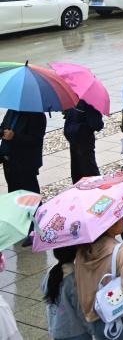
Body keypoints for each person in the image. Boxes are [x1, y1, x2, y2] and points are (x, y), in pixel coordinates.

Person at [74, 218, 123, 340]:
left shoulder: (81, 253)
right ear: (109, 225)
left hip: (97, 319)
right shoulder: (121, 251)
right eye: (119, 217)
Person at [0, 109, 46, 240]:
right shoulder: (12, 111)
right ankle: (20, 226)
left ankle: (36, 231)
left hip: (25, 163)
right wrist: (2, 132)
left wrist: (14, 136)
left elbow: (35, 140)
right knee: (15, 195)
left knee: (30, 196)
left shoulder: (37, 115)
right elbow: (4, 127)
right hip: (9, 161)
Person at [43, 245, 91, 340]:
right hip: (75, 332)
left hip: (56, 328)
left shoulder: (51, 273)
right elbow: (80, 309)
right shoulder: (73, 278)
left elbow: (44, 289)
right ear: (75, 253)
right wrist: (91, 328)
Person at [63, 100, 102, 183]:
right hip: (84, 138)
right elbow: (97, 125)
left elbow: (66, 113)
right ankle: (95, 188)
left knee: (76, 165)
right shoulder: (90, 103)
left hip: (72, 135)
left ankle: (78, 187)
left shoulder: (72, 98)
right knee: (89, 166)